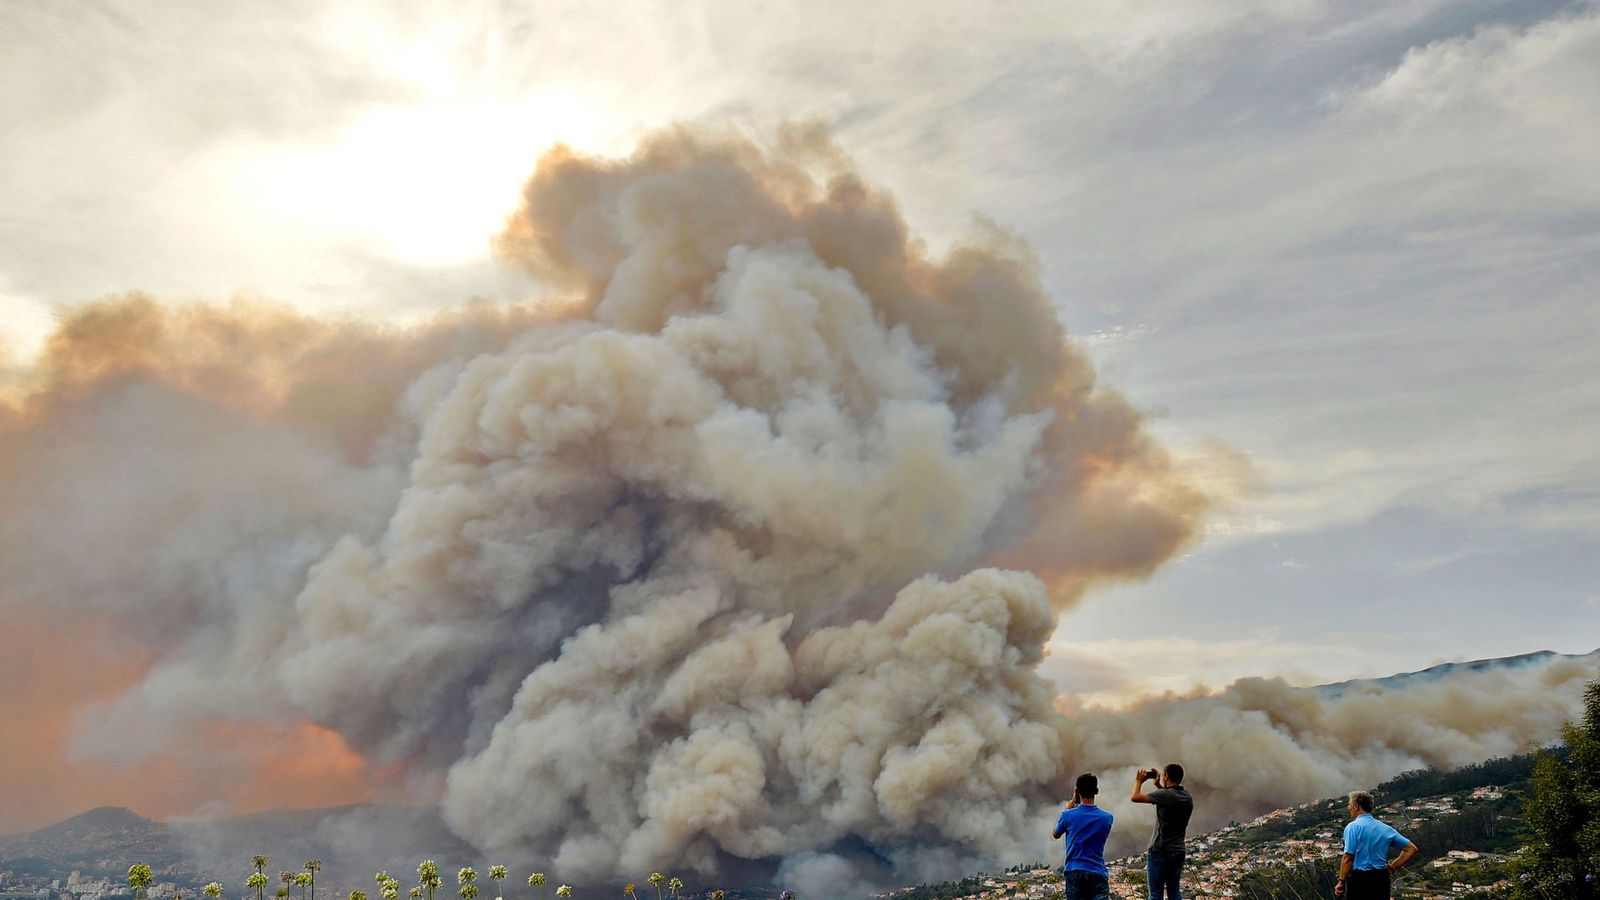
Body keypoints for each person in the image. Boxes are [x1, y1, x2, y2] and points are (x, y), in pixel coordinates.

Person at [1335, 790, 1419, 899]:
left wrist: (1341, 881)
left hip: (1360, 880)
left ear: (1357, 806)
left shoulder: (1353, 827)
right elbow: (1411, 849)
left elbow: (1348, 858)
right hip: (1381, 879)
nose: (1348, 807)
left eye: (1350, 804)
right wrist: (1393, 867)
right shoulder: (1386, 829)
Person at [1132, 764, 1194, 900]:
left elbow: (1135, 797)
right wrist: (1159, 786)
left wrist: (1139, 781)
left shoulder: (1166, 796)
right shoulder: (1187, 797)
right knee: (1174, 892)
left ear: (1166, 776)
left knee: (1155, 894)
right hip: (1178, 850)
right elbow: (1168, 798)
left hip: (1160, 850)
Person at [1054, 773, 1114, 900]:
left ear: (1077, 791)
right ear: (1096, 791)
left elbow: (1056, 834)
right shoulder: (1107, 818)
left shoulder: (1067, 815)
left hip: (1074, 872)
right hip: (1097, 872)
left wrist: (1066, 809)